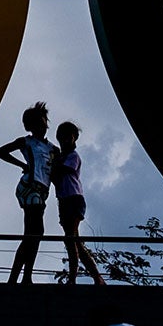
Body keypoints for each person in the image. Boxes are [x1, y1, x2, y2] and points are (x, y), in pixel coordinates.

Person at [0, 101, 55, 283]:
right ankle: (18, 277)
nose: (41, 125)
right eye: (37, 123)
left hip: (43, 190)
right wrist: (23, 165)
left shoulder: (53, 148)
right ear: (30, 126)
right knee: (34, 230)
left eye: (43, 121)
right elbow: (1, 152)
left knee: (34, 234)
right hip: (29, 188)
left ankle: (24, 275)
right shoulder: (26, 142)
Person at [51, 121, 105, 285]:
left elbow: (63, 171)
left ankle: (73, 279)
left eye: (69, 137)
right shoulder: (61, 158)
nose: (65, 141)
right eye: (62, 138)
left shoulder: (73, 157)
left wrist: (52, 161)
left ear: (74, 138)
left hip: (73, 199)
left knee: (70, 239)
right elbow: (55, 178)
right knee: (76, 243)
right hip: (64, 200)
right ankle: (97, 278)